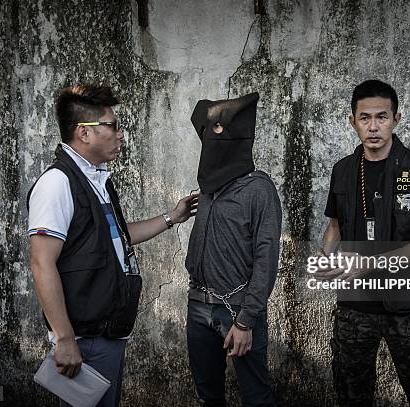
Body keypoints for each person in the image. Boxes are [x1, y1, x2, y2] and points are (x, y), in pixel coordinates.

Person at [27, 84, 197, 407]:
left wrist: (172, 217)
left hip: (107, 337)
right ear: (84, 133)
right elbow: (41, 263)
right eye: (112, 125)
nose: (121, 135)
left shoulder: (97, 180)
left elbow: (116, 236)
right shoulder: (57, 183)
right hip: (84, 342)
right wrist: (63, 338)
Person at [319, 79, 410, 406]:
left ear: (397, 118)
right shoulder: (343, 170)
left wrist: (369, 262)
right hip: (354, 307)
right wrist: (324, 258)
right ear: (353, 122)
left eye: (382, 117)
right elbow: (334, 226)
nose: (374, 126)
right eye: (365, 118)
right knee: (351, 397)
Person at [185, 92, 282, 407]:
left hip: (238, 310)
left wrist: (245, 320)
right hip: (198, 305)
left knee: (256, 397)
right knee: (207, 396)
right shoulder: (208, 189)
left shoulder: (259, 190)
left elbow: (266, 262)